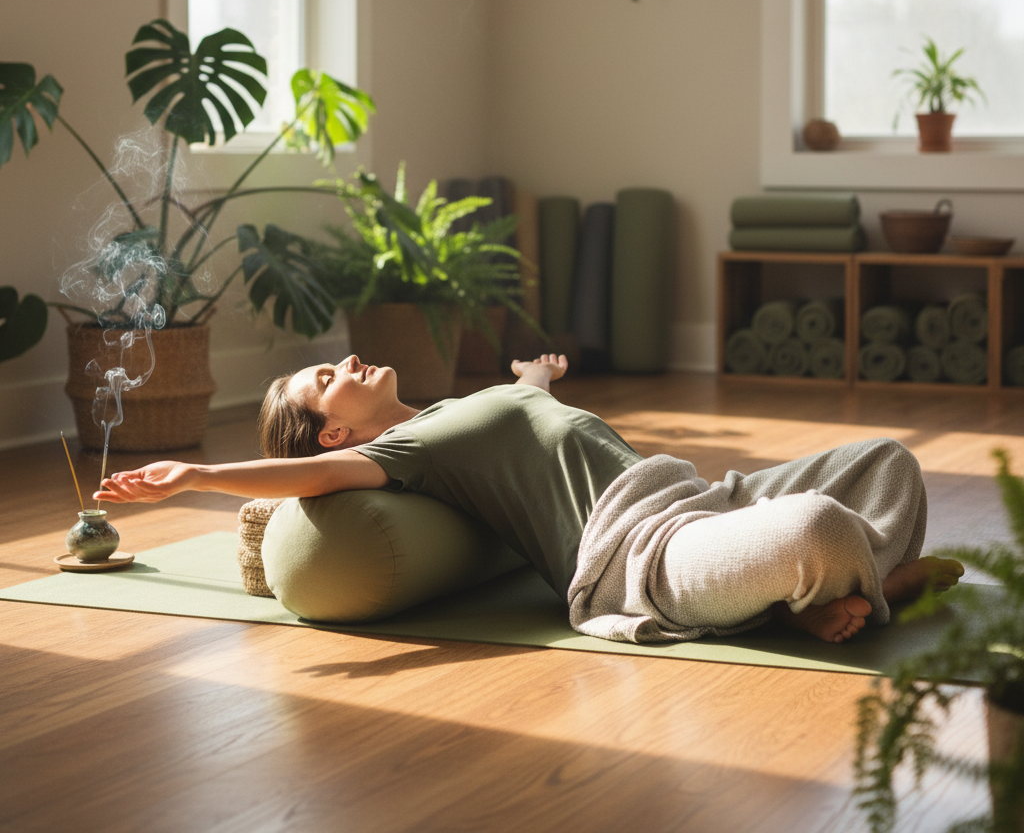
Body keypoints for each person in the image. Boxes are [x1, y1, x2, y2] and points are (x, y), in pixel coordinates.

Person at [96, 353, 963, 645]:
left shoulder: (451, 410)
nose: (347, 359)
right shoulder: (404, 449)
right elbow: (316, 482)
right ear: (334, 432)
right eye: (327, 380)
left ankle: (839, 589)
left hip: (698, 497)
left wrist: (534, 378)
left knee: (887, 460)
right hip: (641, 559)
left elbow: (522, 415)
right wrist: (199, 475)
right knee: (816, 524)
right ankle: (823, 600)